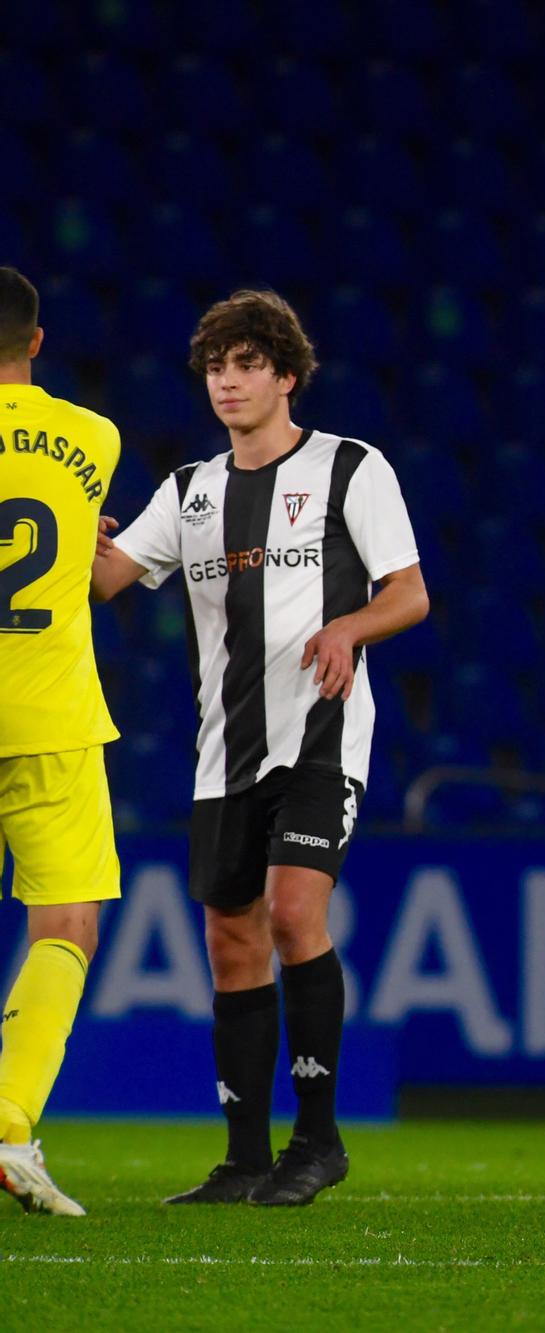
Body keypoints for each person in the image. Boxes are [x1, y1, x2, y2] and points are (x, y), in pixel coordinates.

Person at [92, 290, 428, 1206]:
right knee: (231, 942)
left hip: (321, 738)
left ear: (286, 375)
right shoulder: (192, 490)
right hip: (223, 750)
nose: (227, 381)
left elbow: (410, 591)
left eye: (246, 364)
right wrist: (71, 534)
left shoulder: (352, 469)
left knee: (290, 914)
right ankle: (244, 1158)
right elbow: (109, 579)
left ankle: (317, 1141)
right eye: (214, 366)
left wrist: (349, 628)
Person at [0, 266, 122, 1216]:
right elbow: (70, 547)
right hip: (50, 717)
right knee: (67, 922)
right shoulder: (94, 438)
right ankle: (8, 1125)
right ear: (36, 341)